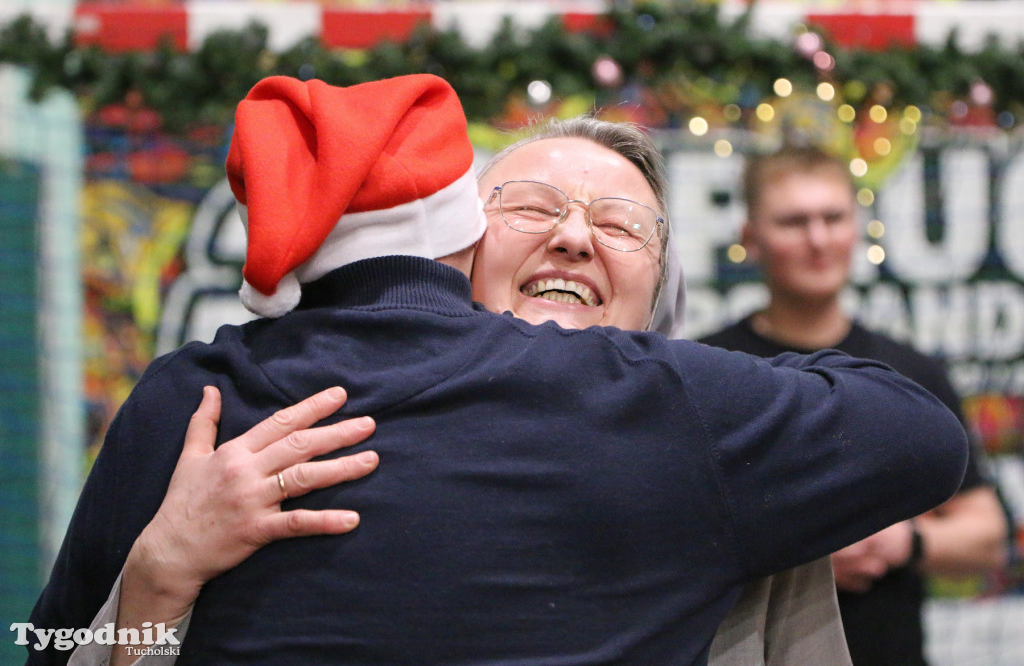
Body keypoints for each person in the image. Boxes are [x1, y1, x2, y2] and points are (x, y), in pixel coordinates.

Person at [29, 75, 968, 666]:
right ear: (457, 243)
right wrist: (155, 575)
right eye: (531, 204)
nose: (571, 233)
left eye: (618, 225)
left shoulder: (699, 429)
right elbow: (52, 648)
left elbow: (920, 434)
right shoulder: (205, 410)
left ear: (661, 294)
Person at [699, 145, 1010, 666]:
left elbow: (986, 535)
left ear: (857, 227)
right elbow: (669, 531)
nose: (818, 239)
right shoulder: (707, 368)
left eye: (833, 217)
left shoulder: (910, 374)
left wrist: (902, 542)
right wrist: (799, 554)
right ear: (751, 238)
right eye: (794, 221)